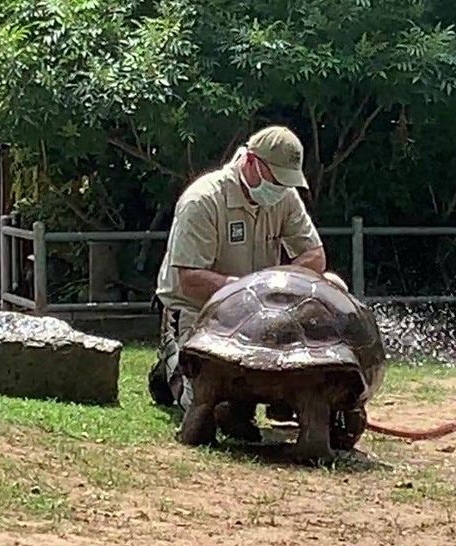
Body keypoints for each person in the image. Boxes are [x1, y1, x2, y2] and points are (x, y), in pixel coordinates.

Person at [148, 125, 348, 441]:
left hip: (266, 317)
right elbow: (189, 280)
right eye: (277, 178)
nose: (282, 187)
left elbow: (314, 256)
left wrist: (278, 290)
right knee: (209, 407)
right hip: (202, 316)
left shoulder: (284, 196)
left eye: (287, 181)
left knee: (334, 284)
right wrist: (250, 292)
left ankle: (312, 392)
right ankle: (171, 368)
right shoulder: (202, 200)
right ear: (251, 162)